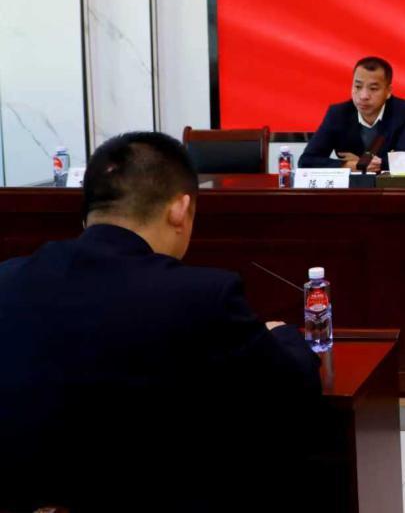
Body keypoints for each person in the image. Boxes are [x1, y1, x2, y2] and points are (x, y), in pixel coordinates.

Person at [0, 131, 322, 512]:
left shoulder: (8, 279)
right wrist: (283, 336)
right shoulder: (203, 296)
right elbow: (290, 389)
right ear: (180, 210)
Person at [299, 55, 405, 172]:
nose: (363, 96)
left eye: (373, 89)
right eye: (358, 87)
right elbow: (306, 161)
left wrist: (362, 162)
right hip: (353, 186)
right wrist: (352, 165)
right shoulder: (338, 114)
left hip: (389, 186)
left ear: (388, 91)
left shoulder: (403, 112)